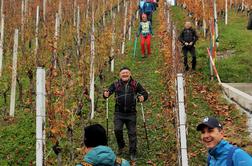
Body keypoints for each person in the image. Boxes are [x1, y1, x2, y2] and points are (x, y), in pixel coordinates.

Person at [103, 67, 148, 162]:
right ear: (120, 75)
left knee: (132, 133)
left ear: (130, 74)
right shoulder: (116, 84)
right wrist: (105, 94)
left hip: (131, 113)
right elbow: (108, 92)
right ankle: (121, 145)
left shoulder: (135, 84)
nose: (125, 74)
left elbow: (144, 93)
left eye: (127, 73)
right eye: (123, 73)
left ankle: (133, 152)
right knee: (117, 129)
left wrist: (143, 96)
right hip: (119, 113)